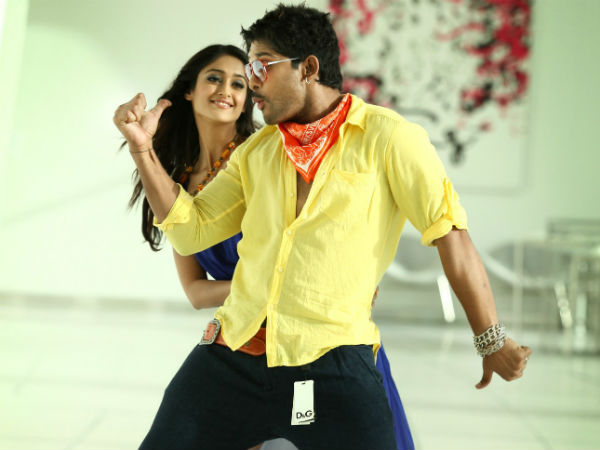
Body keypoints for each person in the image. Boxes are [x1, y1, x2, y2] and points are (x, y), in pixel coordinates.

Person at [113, 4, 531, 449]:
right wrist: (142, 150)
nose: (252, 81)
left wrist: (490, 340)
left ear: (308, 68)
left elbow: (451, 237)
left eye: (261, 66)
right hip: (233, 354)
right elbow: (189, 230)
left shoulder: (388, 138)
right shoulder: (257, 153)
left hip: (335, 362)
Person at [126, 43, 413, 449]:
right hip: (241, 343)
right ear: (189, 89)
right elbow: (195, 291)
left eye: (238, 84)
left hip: (318, 349)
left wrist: (316, 287)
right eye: (214, 78)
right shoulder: (176, 184)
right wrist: (265, 290)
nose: (226, 90)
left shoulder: (269, 156)